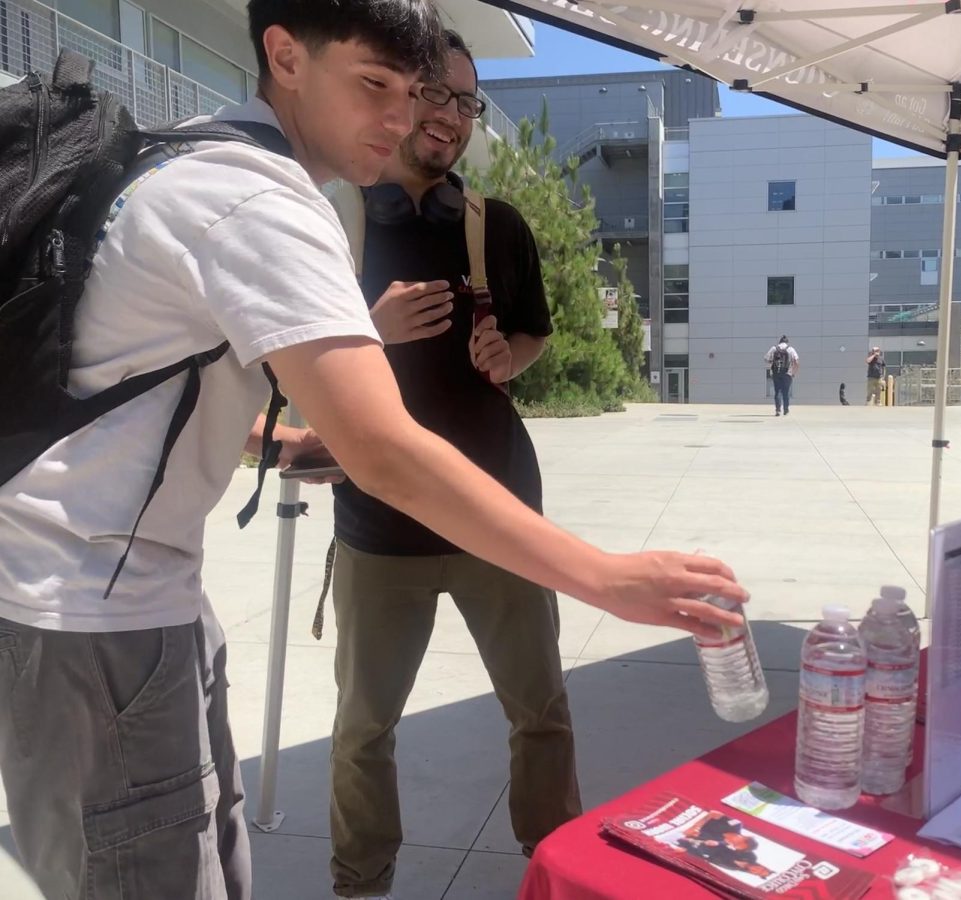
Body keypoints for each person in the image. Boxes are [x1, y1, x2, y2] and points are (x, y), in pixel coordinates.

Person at [0, 3, 746, 898]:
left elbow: (142, 382)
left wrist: (276, 443)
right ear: (285, 56)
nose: (399, 118)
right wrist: (608, 579)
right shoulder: (258, 198)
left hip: (121, 601)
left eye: (421, 93)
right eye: (375, 86)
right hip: (98, 615)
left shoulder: (186, 157)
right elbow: (384, 451)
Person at [323, 34, 576, 898]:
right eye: (435, 91)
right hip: (376, 524)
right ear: (394, 95)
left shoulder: (495, 225)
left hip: (497, 514)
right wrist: (370, 327)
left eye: (467, 101)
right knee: (363, 729)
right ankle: (360, 883)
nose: (450, 115)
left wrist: (513, 355)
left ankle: (558, 872)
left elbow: (535, 330)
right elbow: (281, 359)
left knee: (540, 713)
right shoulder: (334, 218)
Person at [763, 335, 799, 416]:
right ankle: (786, 409)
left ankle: (778, 410)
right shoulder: (790, 349)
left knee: (777, 391)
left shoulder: (774, 348)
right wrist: (793, 372)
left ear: (779, 342)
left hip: (776, 373)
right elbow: (796, 362)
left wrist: (772, 362)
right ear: (787, 342)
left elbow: (766, 358)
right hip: (787, 373)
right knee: (785, 392)